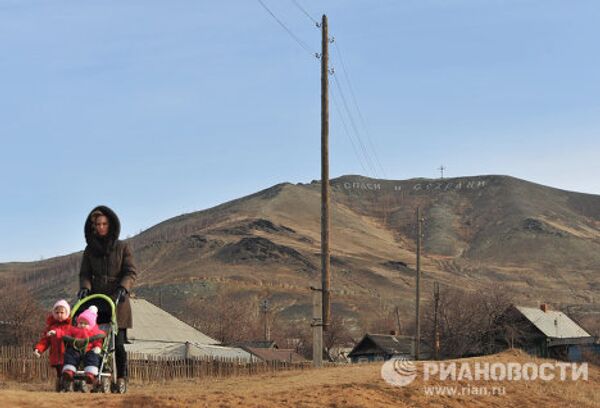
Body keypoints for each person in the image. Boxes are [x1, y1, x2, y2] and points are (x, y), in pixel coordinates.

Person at [77, 205, 137, 393]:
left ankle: (121, 378)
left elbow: (130, 272)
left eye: (104, 224)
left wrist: (123, 288)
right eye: (98, 224)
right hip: (97, 302)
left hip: (118, 302)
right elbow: (84, 273)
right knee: (94, 341)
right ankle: (97, 377)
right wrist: (85, 289)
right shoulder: (89, 250)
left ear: (110, 225)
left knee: (117, 344)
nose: (101, 227)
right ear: (93, 226)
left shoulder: (122, 247)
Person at [61, 305, 105, 386]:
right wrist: (67, 337)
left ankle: (90, 373)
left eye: (86, 323)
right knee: (70, 353)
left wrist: (97, 347)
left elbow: (98, 341)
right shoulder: (74, 330)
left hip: (89, 350)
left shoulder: (94, 332)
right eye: (80, 323)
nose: (82, 325)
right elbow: (67, 333)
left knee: (92, 356)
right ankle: (69, 371)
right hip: (76, 349)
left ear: (91, 325)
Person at [33, 299, 72, 390]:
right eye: (57, 312)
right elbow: (45, 340)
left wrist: (57, 332)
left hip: (66, 354)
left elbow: (68, 335)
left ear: (66, 313)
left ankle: (66, 387)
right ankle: (59, 387)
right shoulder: (51, 327)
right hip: (55, 355)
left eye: (62, 312)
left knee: (65, 371)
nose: (59, 315)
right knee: (59, 372)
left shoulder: (70, 326)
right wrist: (38, 349)